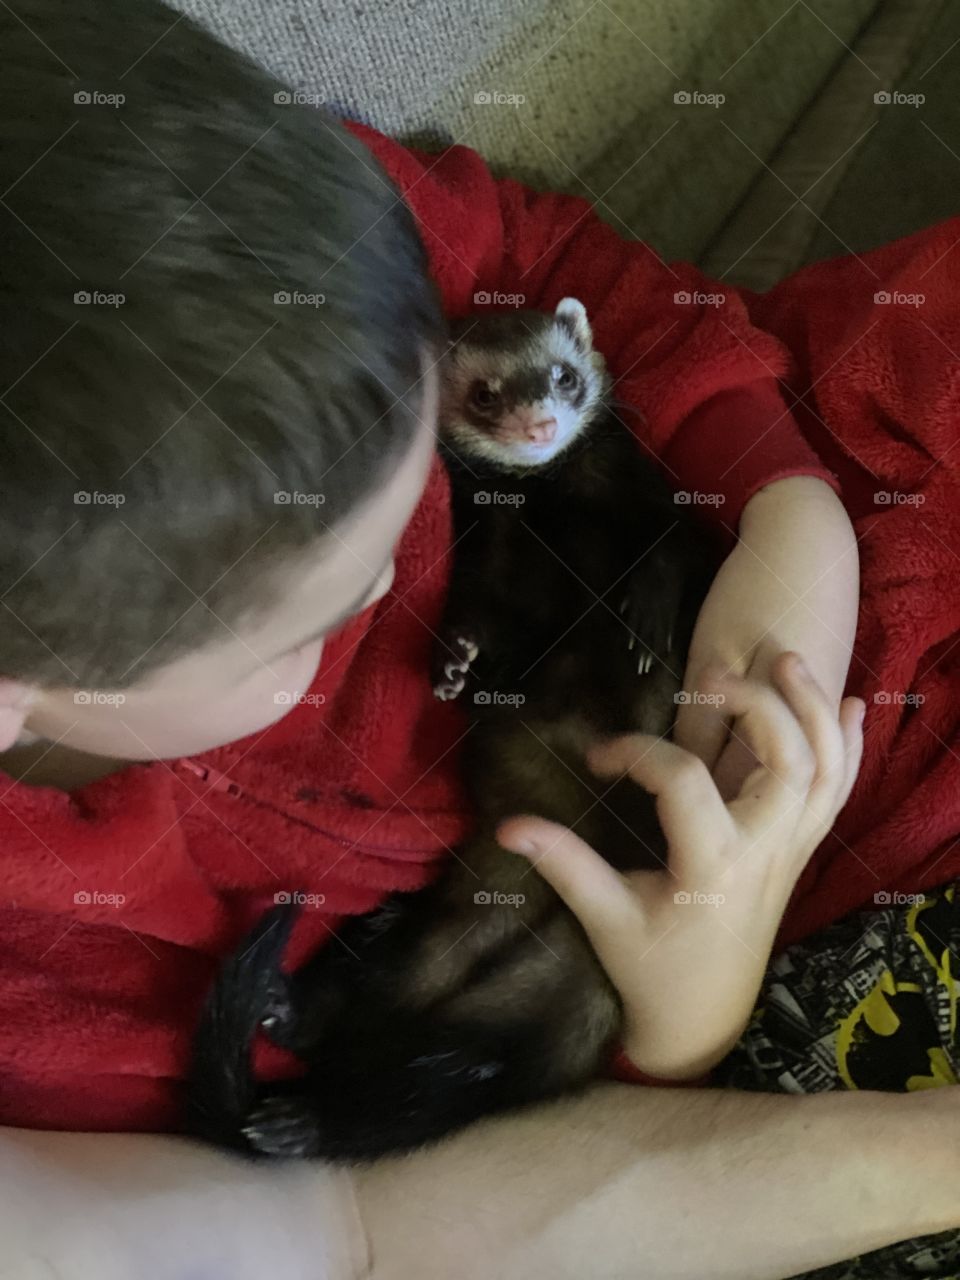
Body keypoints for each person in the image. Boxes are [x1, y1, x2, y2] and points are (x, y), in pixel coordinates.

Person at [1, 1, 958, 1277]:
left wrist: (793, 520)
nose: (394, 583)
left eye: (410, 503)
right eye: (315, 617)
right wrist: (690, 1003)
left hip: (788, 613)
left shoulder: (298, 247)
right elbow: (383, 1181)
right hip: (634, 959)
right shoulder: (67, 989)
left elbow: (541, 252)